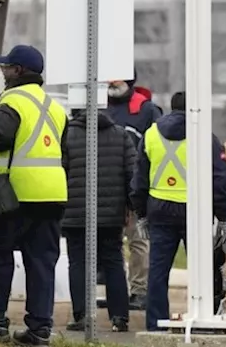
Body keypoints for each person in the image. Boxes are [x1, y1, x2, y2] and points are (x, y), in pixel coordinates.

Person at [0, 45, 67, 346]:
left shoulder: (12, 100)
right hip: (51, 194)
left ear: (18, 71)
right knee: (41, 261)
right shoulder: (54, 106)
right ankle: (39, 329)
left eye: (7, 67)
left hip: (13, 194)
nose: (3, 72)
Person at [130, 91, 226, 333]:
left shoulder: (151, 134)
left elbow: (139, 178)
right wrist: (224, 216)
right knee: (202, 270)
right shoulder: (204, 136)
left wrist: (141, 213)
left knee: (158, 270)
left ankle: (156, 325)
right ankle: (202, 318)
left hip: (160, 209)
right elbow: (219, 180)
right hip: (195, 210)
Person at [61, 103, 136, 333]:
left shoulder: (68, 135)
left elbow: (61, 169)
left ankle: (82, 315)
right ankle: (120, 317)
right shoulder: (121, 135)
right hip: (111, 213)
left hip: (75, 211)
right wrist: (130, 206)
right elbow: (131, 174)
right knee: (114, 261)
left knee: (78, 262)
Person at [106, 78, 162, 309]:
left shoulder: (147, 110)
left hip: (136, 187)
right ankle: (115, 291)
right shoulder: (98, 106)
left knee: (138, 240)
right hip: (108, 187)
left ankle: (139, 290)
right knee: (111, 243)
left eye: (116, 76)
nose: (111, 81)